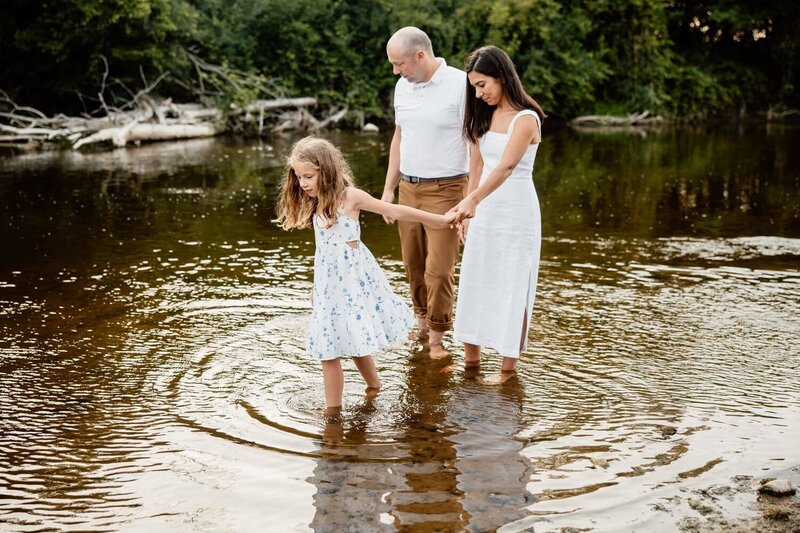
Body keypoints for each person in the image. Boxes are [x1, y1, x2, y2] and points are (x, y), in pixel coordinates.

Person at [275, 136, 456, 415]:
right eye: (299, 177)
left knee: (332, 348)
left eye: (308, 176)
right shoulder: (317, 202)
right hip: (328, 285)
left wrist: (439, 219)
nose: (303, 183)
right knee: (341, 341)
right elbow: (322, 253)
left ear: (327, 170)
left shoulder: (350, 198)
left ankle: (332, 414)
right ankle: (374, 386)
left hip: (352, 283)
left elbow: (395, 210)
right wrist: (316, 287)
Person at [449, 45, 546, 383]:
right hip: (484, 209)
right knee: (475, 279)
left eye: (483, 84)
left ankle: (507, 369)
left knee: (512, 283)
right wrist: (467, 210)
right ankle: (470, 362)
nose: (479, 92)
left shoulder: (526, 118)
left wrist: (472, 200)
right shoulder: (482, 114)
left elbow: (505, 167)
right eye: (474, 86)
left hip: (516, 211)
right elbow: (476, 165)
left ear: (502, 77)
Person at [382, 26, 469, 359]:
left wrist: (470, 201)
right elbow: (398, 138)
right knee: (413, 264)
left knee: (439, 270)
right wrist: (389, 190)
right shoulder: (402, 87)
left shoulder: (461, 85)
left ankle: (437, 337)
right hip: (408, 188)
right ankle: (421, 324)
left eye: (400, 63)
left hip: (448, 190)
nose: (396, 71)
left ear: (420, 55)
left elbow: (476, 146)